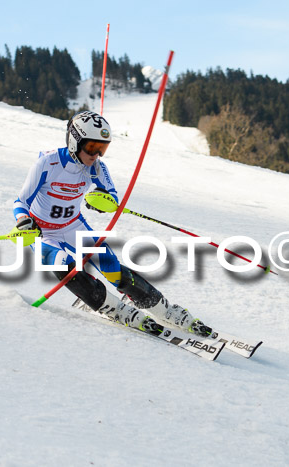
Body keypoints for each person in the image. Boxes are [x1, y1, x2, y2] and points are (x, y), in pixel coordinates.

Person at [13, 110, 212, 336]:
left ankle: (164, 309)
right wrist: (23, 220)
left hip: (73, 226)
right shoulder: (47, 163)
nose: (96, 154)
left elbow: (111, 195)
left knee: (112, 268)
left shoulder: (96, 168)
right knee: (64, 267)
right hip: (42, 232)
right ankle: (114, 308)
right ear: (74, 141)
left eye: (102, 148)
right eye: (91, 147)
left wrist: (103, 200)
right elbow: (20, 202)